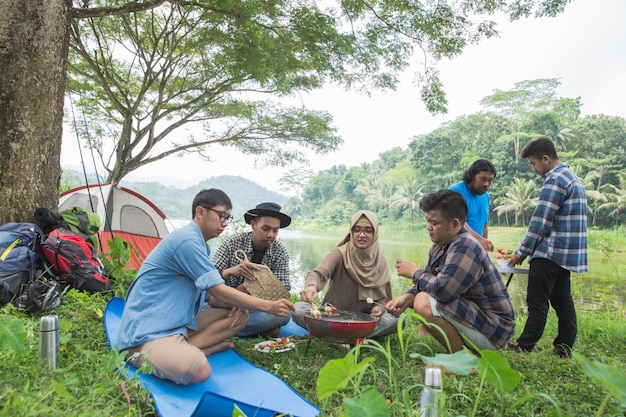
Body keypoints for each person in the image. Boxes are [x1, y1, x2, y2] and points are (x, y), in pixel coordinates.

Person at [115, 189, 294, 385]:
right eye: (221, 216)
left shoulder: (201, 245)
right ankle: (191, 349)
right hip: (147, 332)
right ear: (200, 212)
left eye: (228, 217)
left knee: (239, 317)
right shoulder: (187, 242)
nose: (225, 223)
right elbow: (218, 290)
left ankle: (188, 346)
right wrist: (268, 306)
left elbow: (211, 298)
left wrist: (243, 303)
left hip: (178, 323)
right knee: (200, 370)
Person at [385, 189, 515, 353]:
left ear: (455, 224)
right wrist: (405, 298)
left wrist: (414, 273)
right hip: (478, 322)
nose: (429, 227)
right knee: (420, 297)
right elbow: (429, 281)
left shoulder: (466, 246)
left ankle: (463, 363)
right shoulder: (440, 245)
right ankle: (463, 356)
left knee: (423, 301)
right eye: (428, 221)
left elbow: (443, 291)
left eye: (434, 223)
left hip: (493, 332)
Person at [507, 137, 587, 358]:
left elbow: (540, 222)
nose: (533, 169)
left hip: (549, 253)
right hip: (566, 255)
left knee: (537, 301)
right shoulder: (572, 177)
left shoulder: (554, 180)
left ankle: (525, 346)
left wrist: (520, 253)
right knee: (563, 303)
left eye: (534, 164)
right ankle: (563, 349)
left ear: (545, 158)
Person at [292, 210, 399, 339]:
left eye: (368, 230)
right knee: (298, 309)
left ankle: (337, 335)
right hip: (332, 316)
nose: (362, 235)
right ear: (351, 232)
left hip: (363, 321)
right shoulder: (339, 254)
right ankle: (353, 336)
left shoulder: (381, 262)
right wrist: (311, 286)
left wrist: (379, 309)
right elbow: (319, 273)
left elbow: (384, 299)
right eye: (357, 230)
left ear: (375, 233)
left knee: (395, 321)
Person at [212, 202, 292, 338]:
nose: (271, 235)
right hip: (225, 304)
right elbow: (210, 278)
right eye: (266, 228)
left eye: (275, 230)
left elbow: (283, 289)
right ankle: (249, 329)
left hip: (259, 309)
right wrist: (231, 271)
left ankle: (219, 329)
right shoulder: (233, 242)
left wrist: (251, 288)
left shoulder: (279, 251)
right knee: (206, 303)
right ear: (253, 224)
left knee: (284, 315)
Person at [449, 159, 497, 252]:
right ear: (471, 176)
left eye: (490, 180)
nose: (486, 184)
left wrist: (484, 250)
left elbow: (484, 225)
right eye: (483, 179)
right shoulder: (455, 192)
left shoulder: (485, 196)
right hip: (456, 250)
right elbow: (457, 223)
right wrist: (478, 239)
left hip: (475, 251)